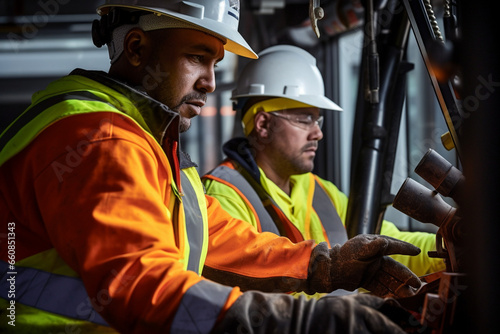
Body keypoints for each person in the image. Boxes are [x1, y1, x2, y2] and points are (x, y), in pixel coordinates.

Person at [0, 2, 422, 333]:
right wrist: (294, 322)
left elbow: (208, 237)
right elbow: (141, 287)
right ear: (135, 48)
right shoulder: (102, 139)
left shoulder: (144, 136)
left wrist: (320, 266)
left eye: (215, 63)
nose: (211, 82)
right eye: (198, 57)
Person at [202, 44, 446, 279]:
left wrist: (449, 244)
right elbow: (248, 287)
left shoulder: (321, 192)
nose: (317, 134)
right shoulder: (224, 196)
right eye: (305, 119)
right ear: (263, 124)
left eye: (317, 122)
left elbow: (385, 242)